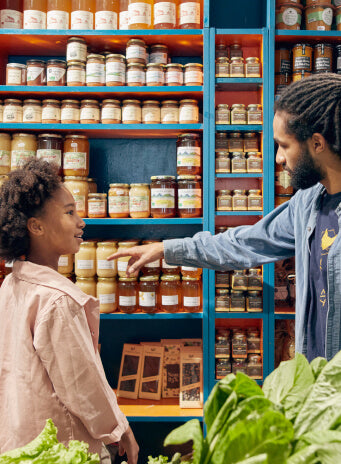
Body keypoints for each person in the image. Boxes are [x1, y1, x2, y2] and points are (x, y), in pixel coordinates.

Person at [109, 73, 341, 363]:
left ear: (317, 144)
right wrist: (166, 249)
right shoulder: (308, 202)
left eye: (284, 145)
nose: (278, 158)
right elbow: (244, 243)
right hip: (318, 384)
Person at [0, 159, 139, 463]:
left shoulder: (11, 284)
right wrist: (119, 429)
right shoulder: (58, 300)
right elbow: (81, 384)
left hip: (18, 442)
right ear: (36, 227)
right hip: (59, 449)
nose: (82, 222)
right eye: (69, 212)